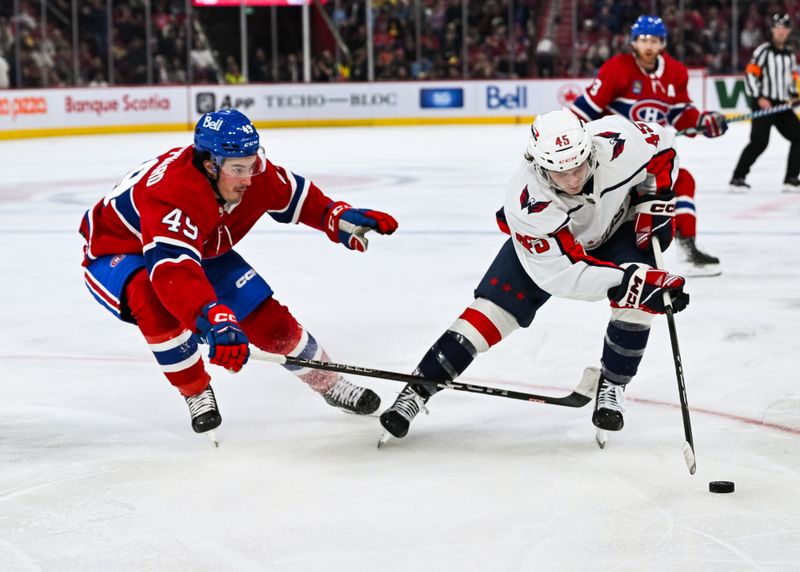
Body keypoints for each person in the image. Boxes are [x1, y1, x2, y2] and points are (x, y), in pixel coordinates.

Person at [79, 108, 398, 437]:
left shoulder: (251, 173)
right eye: (238, 169)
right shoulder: (172, 197)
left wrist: (337, 217)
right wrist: (211, 314)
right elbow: (173, 272)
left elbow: (296, 196)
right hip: (118, 251)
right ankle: (196, 391)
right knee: (154, 300)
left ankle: (328, 382)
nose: (249, 177)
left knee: (263, 316)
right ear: (209, 165)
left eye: (252, 163)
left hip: (198, 244)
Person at [379, 109, 689, 444]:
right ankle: (417, 390)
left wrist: (653, 200)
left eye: (579, 167)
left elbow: (663, 146)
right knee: (489, 315)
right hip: (552, 253)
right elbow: (565, 276)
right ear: (538, 164)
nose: (572, 179)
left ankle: (612, 384)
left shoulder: (617, 141)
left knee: (639, 299)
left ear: (590, 151)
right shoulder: (527, 203)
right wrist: (633, 283)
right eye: (560, 172)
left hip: (618, 228)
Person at [570, 15, 726, 277]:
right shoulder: (616, 68)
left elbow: (679, 114)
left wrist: (702, 121)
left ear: (662, 43)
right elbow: (585, 109)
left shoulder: (675, 72)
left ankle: (687, 248)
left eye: (654, 40)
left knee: (683, 181)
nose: (649, 46)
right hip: (614, 153)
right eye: (643, 40)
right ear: (634, 42)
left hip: (654, 154)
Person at [730, 13, 800, 193]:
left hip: (782, 105)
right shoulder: (763, 51)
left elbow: (791, 78)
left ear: (789, 30)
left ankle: (791, 179)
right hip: (764, 103)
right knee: (759, 142)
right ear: (772, 30)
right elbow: (751, 74)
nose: (781, 31)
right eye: (778, 27)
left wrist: (793, 95)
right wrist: (759, 97)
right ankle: (738, 177)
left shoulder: (789, 55)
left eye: (784, 27)